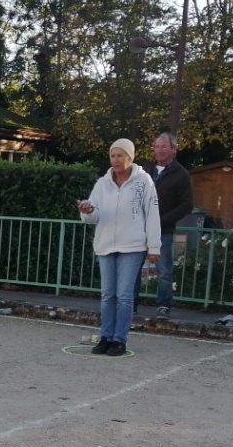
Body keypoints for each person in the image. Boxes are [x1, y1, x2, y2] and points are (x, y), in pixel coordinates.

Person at [78, 139, 161, 356]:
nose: (115, 160)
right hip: (106, 244)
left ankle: (119, 340)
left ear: (130, 157)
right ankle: (105, 336)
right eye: (112, 156)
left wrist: (154, 247)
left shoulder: (144, 182)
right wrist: (86, 210)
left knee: (124, 295)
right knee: (107, 294)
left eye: (120, 155)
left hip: (133, 245)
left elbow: (152, 214)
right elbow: (93, 216)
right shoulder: (101, 184)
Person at [137, 132, 194, 319]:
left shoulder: (182, 174)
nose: (160, 150)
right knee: (133, 268)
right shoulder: (144, 170)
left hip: (163, 230)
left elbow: (186, 205)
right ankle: (130, 304)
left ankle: (164, 305)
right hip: (139, 229)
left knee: (164, 270)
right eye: (157, 146)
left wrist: (162, 220)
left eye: (164, 147)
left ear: (173, 150)